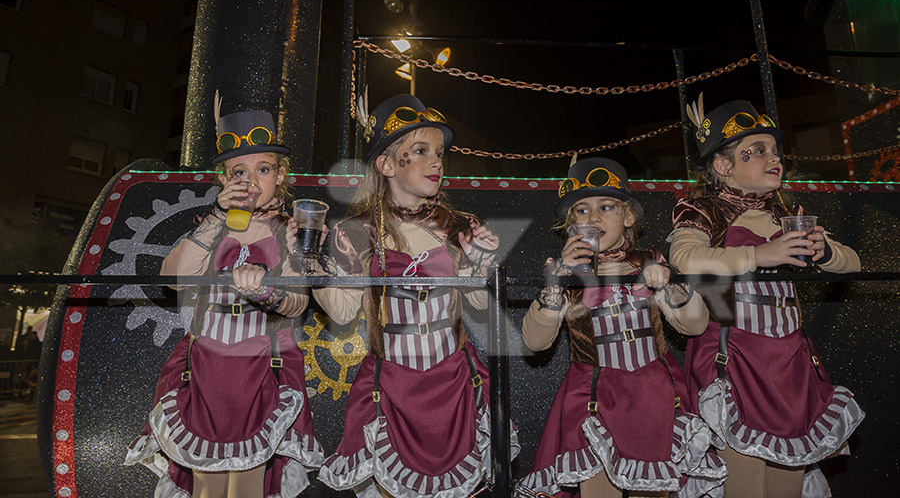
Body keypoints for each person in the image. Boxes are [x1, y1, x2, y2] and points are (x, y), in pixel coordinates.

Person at [314, 94, 518, 497]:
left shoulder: (461, 225)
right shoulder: (356, 231)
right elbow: (341, 310)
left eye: (439, 152)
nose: (437, 161)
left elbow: (480, 307)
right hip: (390, 386)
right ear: (387, 165)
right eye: (420, 151)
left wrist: (480, 266)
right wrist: (311, 270)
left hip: (456, 383)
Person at [669, 98, 865, 498]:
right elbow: (684, 258)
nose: (773, 158)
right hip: (734, 357)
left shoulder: (785, 215)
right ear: (723, 166)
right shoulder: (705, 211)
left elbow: (854, 264)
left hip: (789, 361)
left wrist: (823, 251)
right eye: (755, 151)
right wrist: (762, 255)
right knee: (746, 487)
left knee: (786, 485)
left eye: (774, 151)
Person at [125, 107, 323, 498]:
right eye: (238, 172)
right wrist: (219, 214)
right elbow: (170, 279)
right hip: (205, 369)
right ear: (223, 179)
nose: (250, 180)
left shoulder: (291, 230)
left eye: (263, 169)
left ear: (280, 176)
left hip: (263, 369)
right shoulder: (210, 227)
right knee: (205, 485)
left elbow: (299, 302)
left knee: (248, 486)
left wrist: (265, 292)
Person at [519, 157, 726, 498]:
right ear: (570, 226)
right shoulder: (566, 276)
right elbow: (536, 342)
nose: (593, 218)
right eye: (581, 211)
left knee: (653, 485)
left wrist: (670, 285)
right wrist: (554, 286)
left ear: (628, 216)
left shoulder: (651, 263)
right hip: (592, 398)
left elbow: (695, 325)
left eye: (606, 206)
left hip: (653, 396)